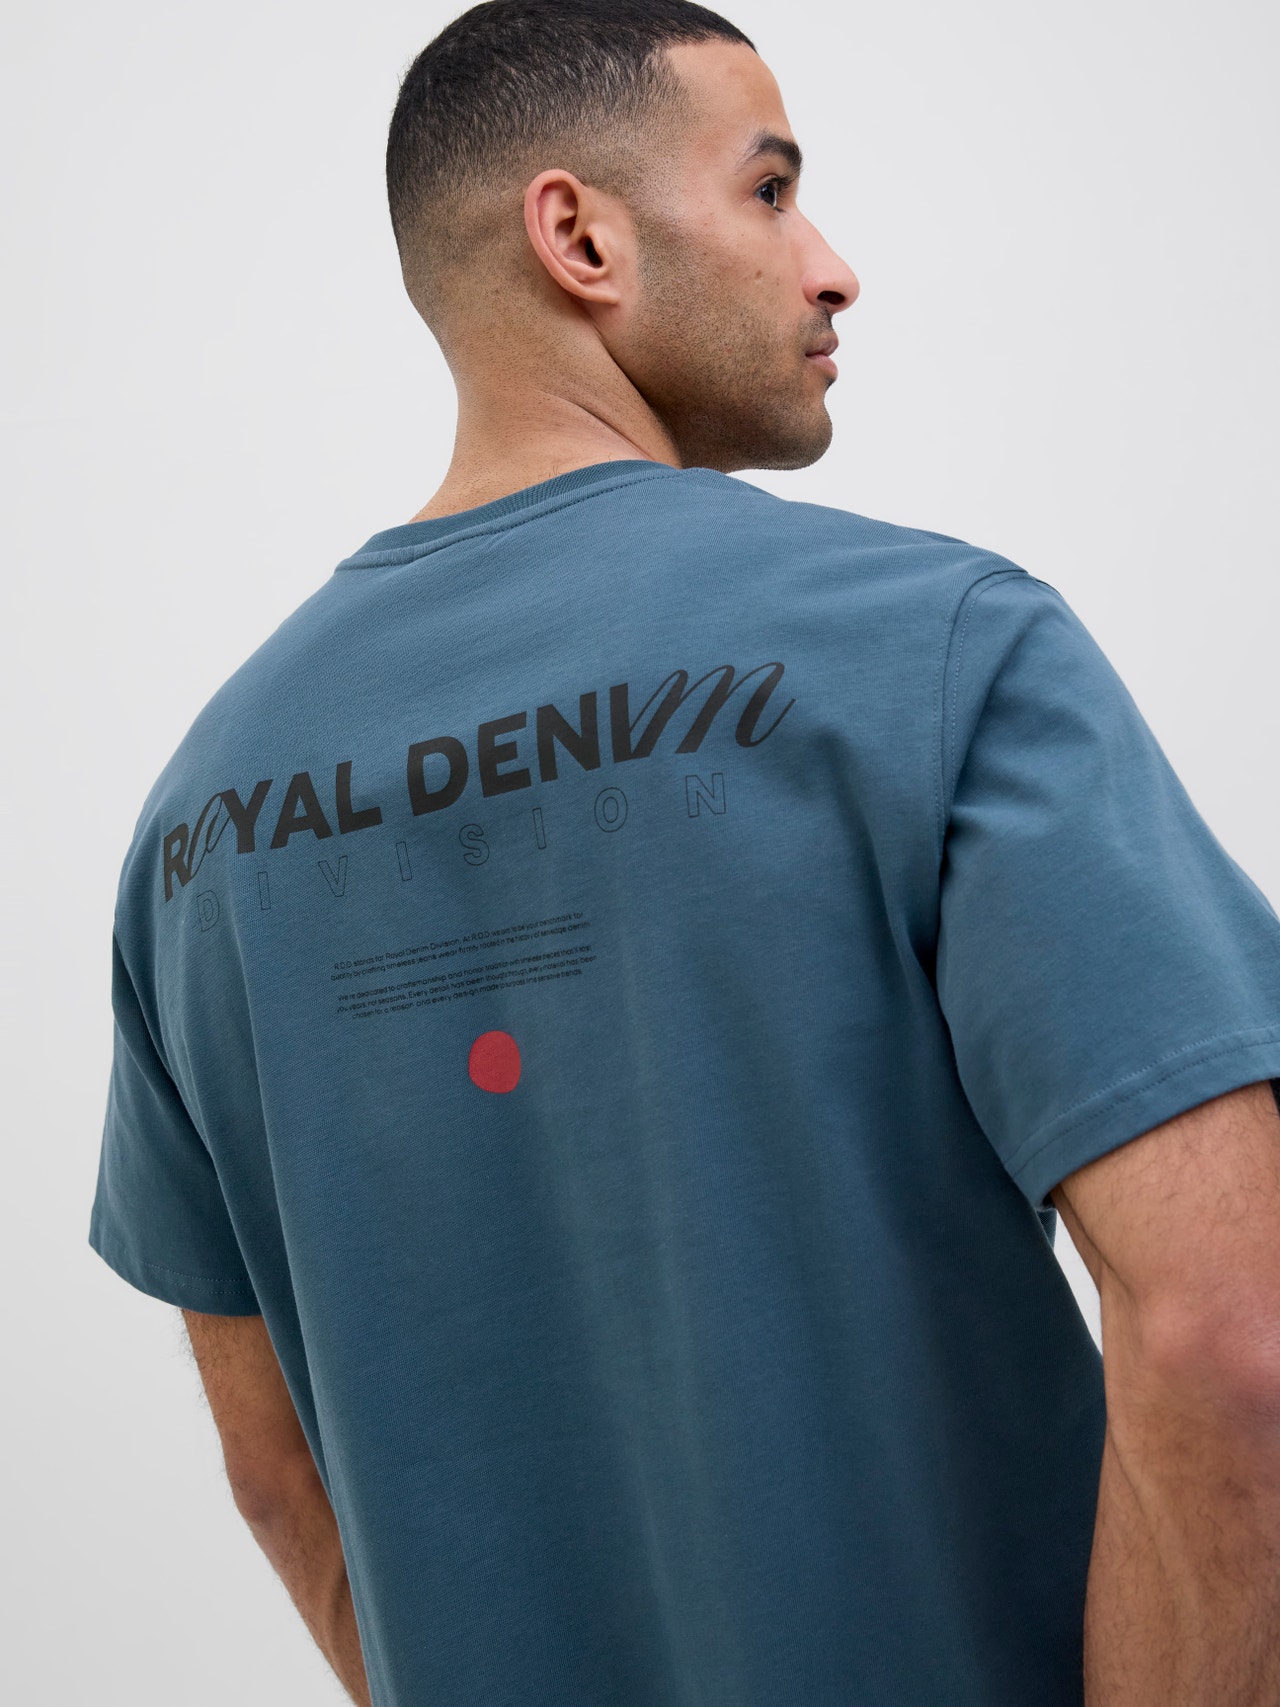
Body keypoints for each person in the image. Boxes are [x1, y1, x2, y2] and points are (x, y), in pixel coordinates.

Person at [88, 1, 1280, 1703]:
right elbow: (1235, 1337)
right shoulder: (934, 651)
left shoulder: (195, 827)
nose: (833, 267)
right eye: (771, 190)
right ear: (580, 237)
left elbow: (283, 1482)